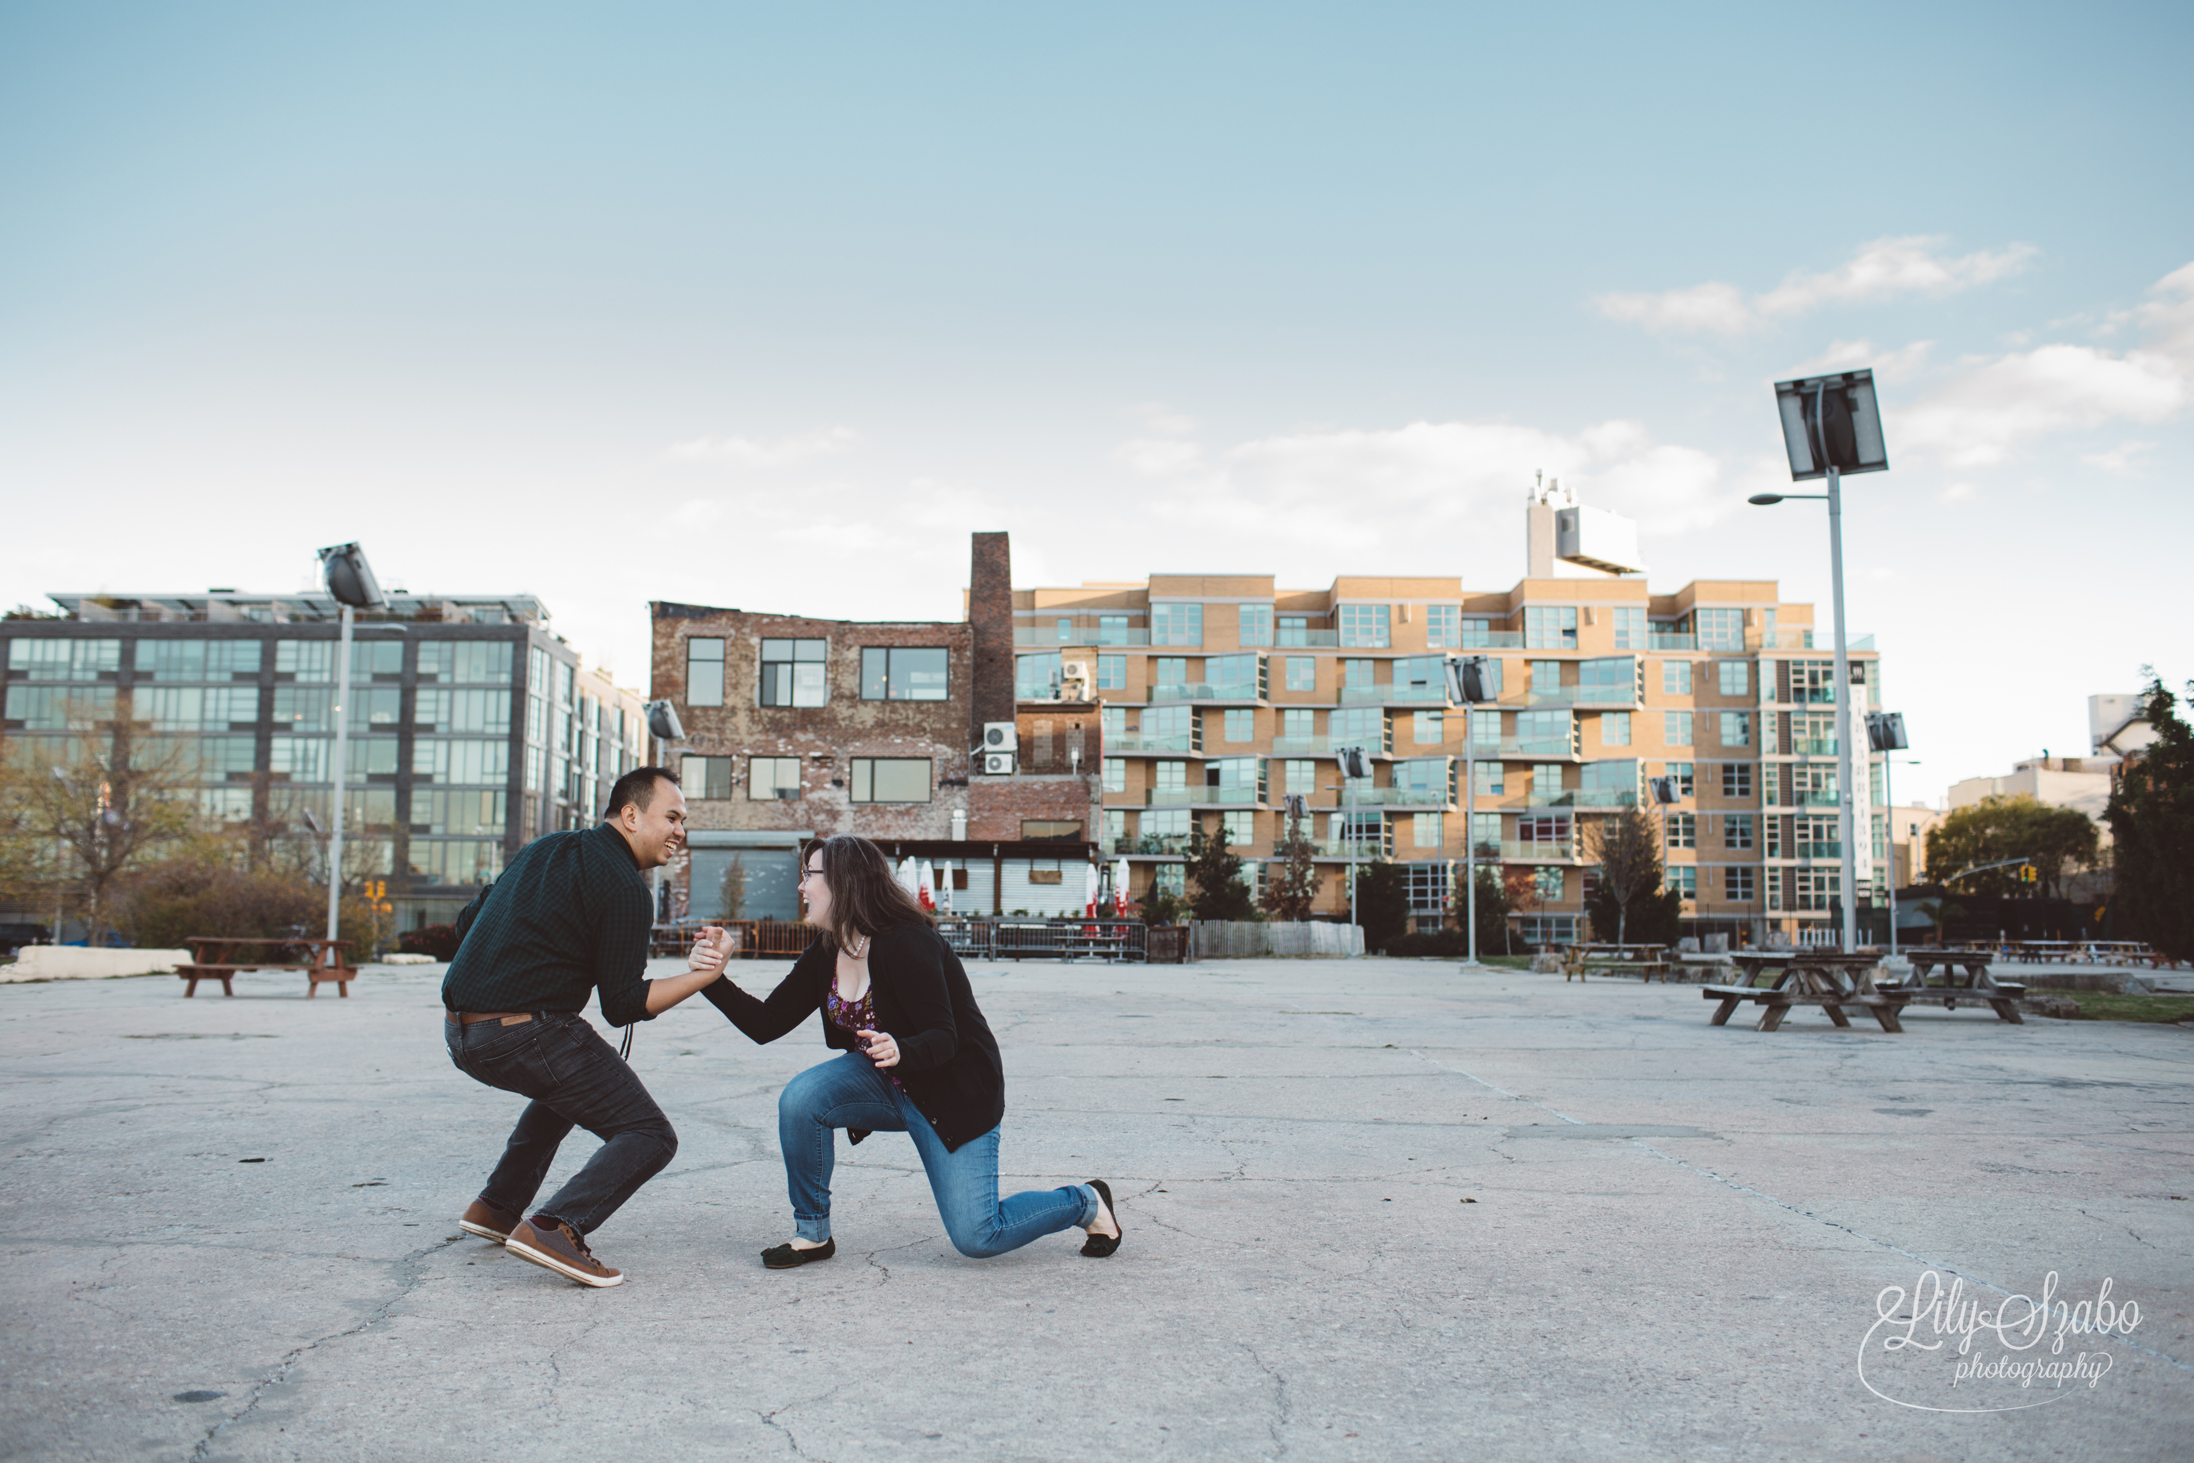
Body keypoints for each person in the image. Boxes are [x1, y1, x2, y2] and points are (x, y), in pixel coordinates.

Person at [702, 834, 1122, 1268]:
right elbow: (766, 1024)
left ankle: (1085, 1202)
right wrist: (712, 977)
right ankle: (812, 1232)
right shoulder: (829, 948)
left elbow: (945, 1035)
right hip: (884, 1083)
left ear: (845, 882)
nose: (801, 886)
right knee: (801, 1100)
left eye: (809, 875)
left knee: (980, 1235)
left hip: (951, 1093)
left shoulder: (908, 942)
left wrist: (902, 1048)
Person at [441, 766, 730, 1288]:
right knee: (649, 1134)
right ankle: (555, 1226)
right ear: (630, 816)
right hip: (522, 1032)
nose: (680, 831)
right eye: (671, 817)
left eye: (683, 821)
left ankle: (496, 1207)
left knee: (569, 1087)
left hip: (462, 1034)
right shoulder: (624, 886)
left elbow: (467, 924)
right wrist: (705, 974)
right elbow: (622, 1005)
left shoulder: (544, 848)